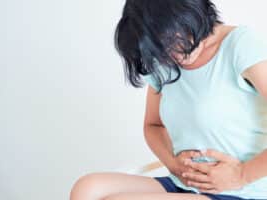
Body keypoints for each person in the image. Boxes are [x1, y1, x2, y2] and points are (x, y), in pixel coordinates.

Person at [70, 0, 267, 200]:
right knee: (87, 189)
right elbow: (153, 125)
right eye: (162, 50)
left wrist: (241, 175)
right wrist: (173, 164)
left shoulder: (241, 45)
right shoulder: (163, 58)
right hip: (183, 184)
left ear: (190, 14)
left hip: (240, 192)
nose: (173, 56)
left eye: (173, 41)